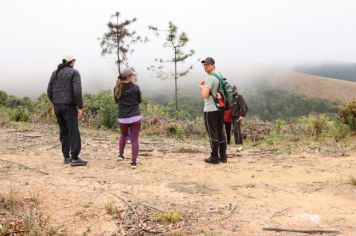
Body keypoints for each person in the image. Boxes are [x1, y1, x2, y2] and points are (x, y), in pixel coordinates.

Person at [47, 55, 87, 166]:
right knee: (73, 130)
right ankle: (75, 158)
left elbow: (49, 90)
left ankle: (66, 157)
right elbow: (77, 91)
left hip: (57, 106)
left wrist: (55, 101)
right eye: (74, 60)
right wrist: (80, 107)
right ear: (72, 61)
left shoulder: (55, 73)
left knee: (63, 130)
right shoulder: (74, 72)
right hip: (69, 106)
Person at [199, 57, 227, 164]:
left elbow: (205, 95)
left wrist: (201, 87)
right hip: (220, 108)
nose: (205, 66)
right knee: (220, 131)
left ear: (213, 65)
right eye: (204, 65)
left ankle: (214, 156)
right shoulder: (219, 75)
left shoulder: (210, 78)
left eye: (207, 64)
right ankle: (223, 156)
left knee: (212, 132)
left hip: (210, 109)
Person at [114, 68, 142, 169]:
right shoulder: (136, 88)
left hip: (123, 118)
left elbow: (117, 101)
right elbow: (139, 101)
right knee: (134, 139)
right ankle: (133, 163)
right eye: (132, 75)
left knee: (123, 135)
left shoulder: (117, 88)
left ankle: (121, 155)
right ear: (129, 77)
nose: (134, 77)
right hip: (135, 117)